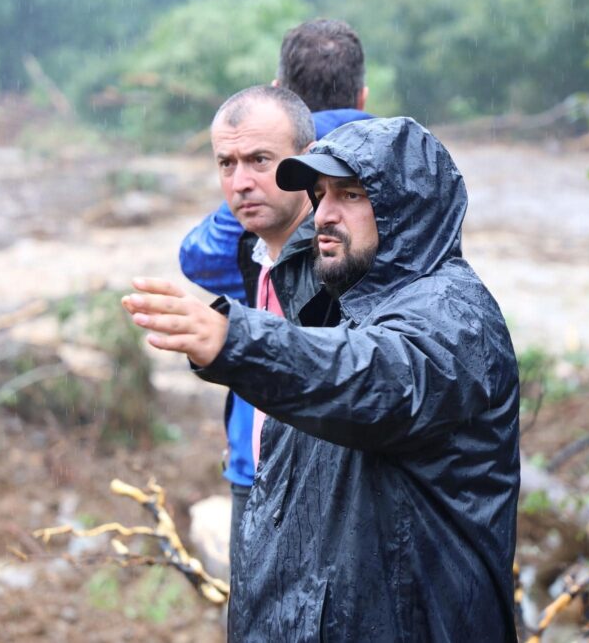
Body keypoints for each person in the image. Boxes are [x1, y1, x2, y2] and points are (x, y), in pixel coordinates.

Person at [123, 117, 520, 641]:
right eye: (320, 195)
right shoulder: (335, 305)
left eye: (350, 195)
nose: (324, 215)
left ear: (406, 209)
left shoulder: (454, 316)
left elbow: (372, 382)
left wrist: (235, 340)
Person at [178, 19, 373, 554]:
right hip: (357, 455)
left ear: (280, 93)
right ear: (364, 95)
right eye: (229, 165)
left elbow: (200, 258)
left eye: (261, 160)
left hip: (262, 453)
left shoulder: (278, 202)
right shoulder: (398, 170)